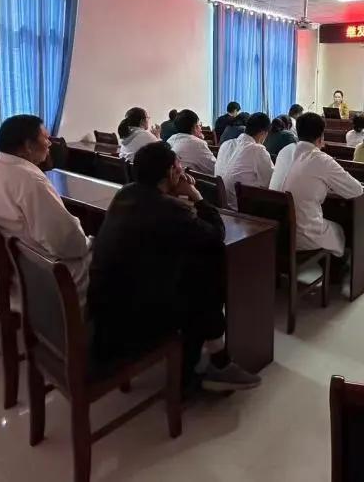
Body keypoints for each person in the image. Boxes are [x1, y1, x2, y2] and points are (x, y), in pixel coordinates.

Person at [88, 141, 261, 393]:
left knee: (198, 267)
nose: (183, 171)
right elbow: (216, 234)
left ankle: (208, 360)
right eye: (179, 166)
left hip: (107, 309)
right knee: (207, 272)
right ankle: (203, 370)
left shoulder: (125, 194)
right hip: (133, 322)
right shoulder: (167, 209)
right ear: (171, 172)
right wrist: (197, 197)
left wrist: (172, 195)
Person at [0, 115, 91, 303]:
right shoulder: (30, 179)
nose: (49, 143)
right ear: (28, 145)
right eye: (45, 138)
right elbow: (67, 243)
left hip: (1, 268)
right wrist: (88, 242)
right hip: (35, 275)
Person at [270, 112, 364, 256]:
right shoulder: (321, 159)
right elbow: (356, 190)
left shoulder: (285, 151)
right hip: (303, 234)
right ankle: (336, 266)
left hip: (279, 232)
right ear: (321, 137)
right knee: (339, 229)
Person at [214, 112, 273, 208]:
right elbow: (271, 182)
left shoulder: (226, 144)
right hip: (240, 207)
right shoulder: (257, 150)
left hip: (220, 203)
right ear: (263, 133)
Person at [167, 109, 216, 174]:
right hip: (190, 180)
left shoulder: (171, 139)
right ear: (194, 127)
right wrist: (200, 140)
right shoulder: (198, 144)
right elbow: (215, 169)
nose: (201, 128)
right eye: (199, 125)